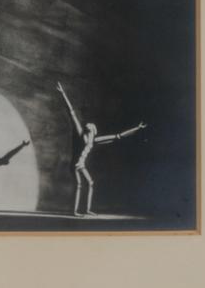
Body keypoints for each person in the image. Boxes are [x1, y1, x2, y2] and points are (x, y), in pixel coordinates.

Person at [55, 81, 146, 217]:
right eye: (87, 126)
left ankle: (87, 210)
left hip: (81, 165)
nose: (87, 125)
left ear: (93, 130)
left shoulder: (95, 140)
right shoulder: (81, 134)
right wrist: (63, 93)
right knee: (79, 184)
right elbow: (72, 113)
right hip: (75, 164)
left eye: (90, 126)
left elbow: (118, 136)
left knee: (90, 183)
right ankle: (75, 212)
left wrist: (137, 128)